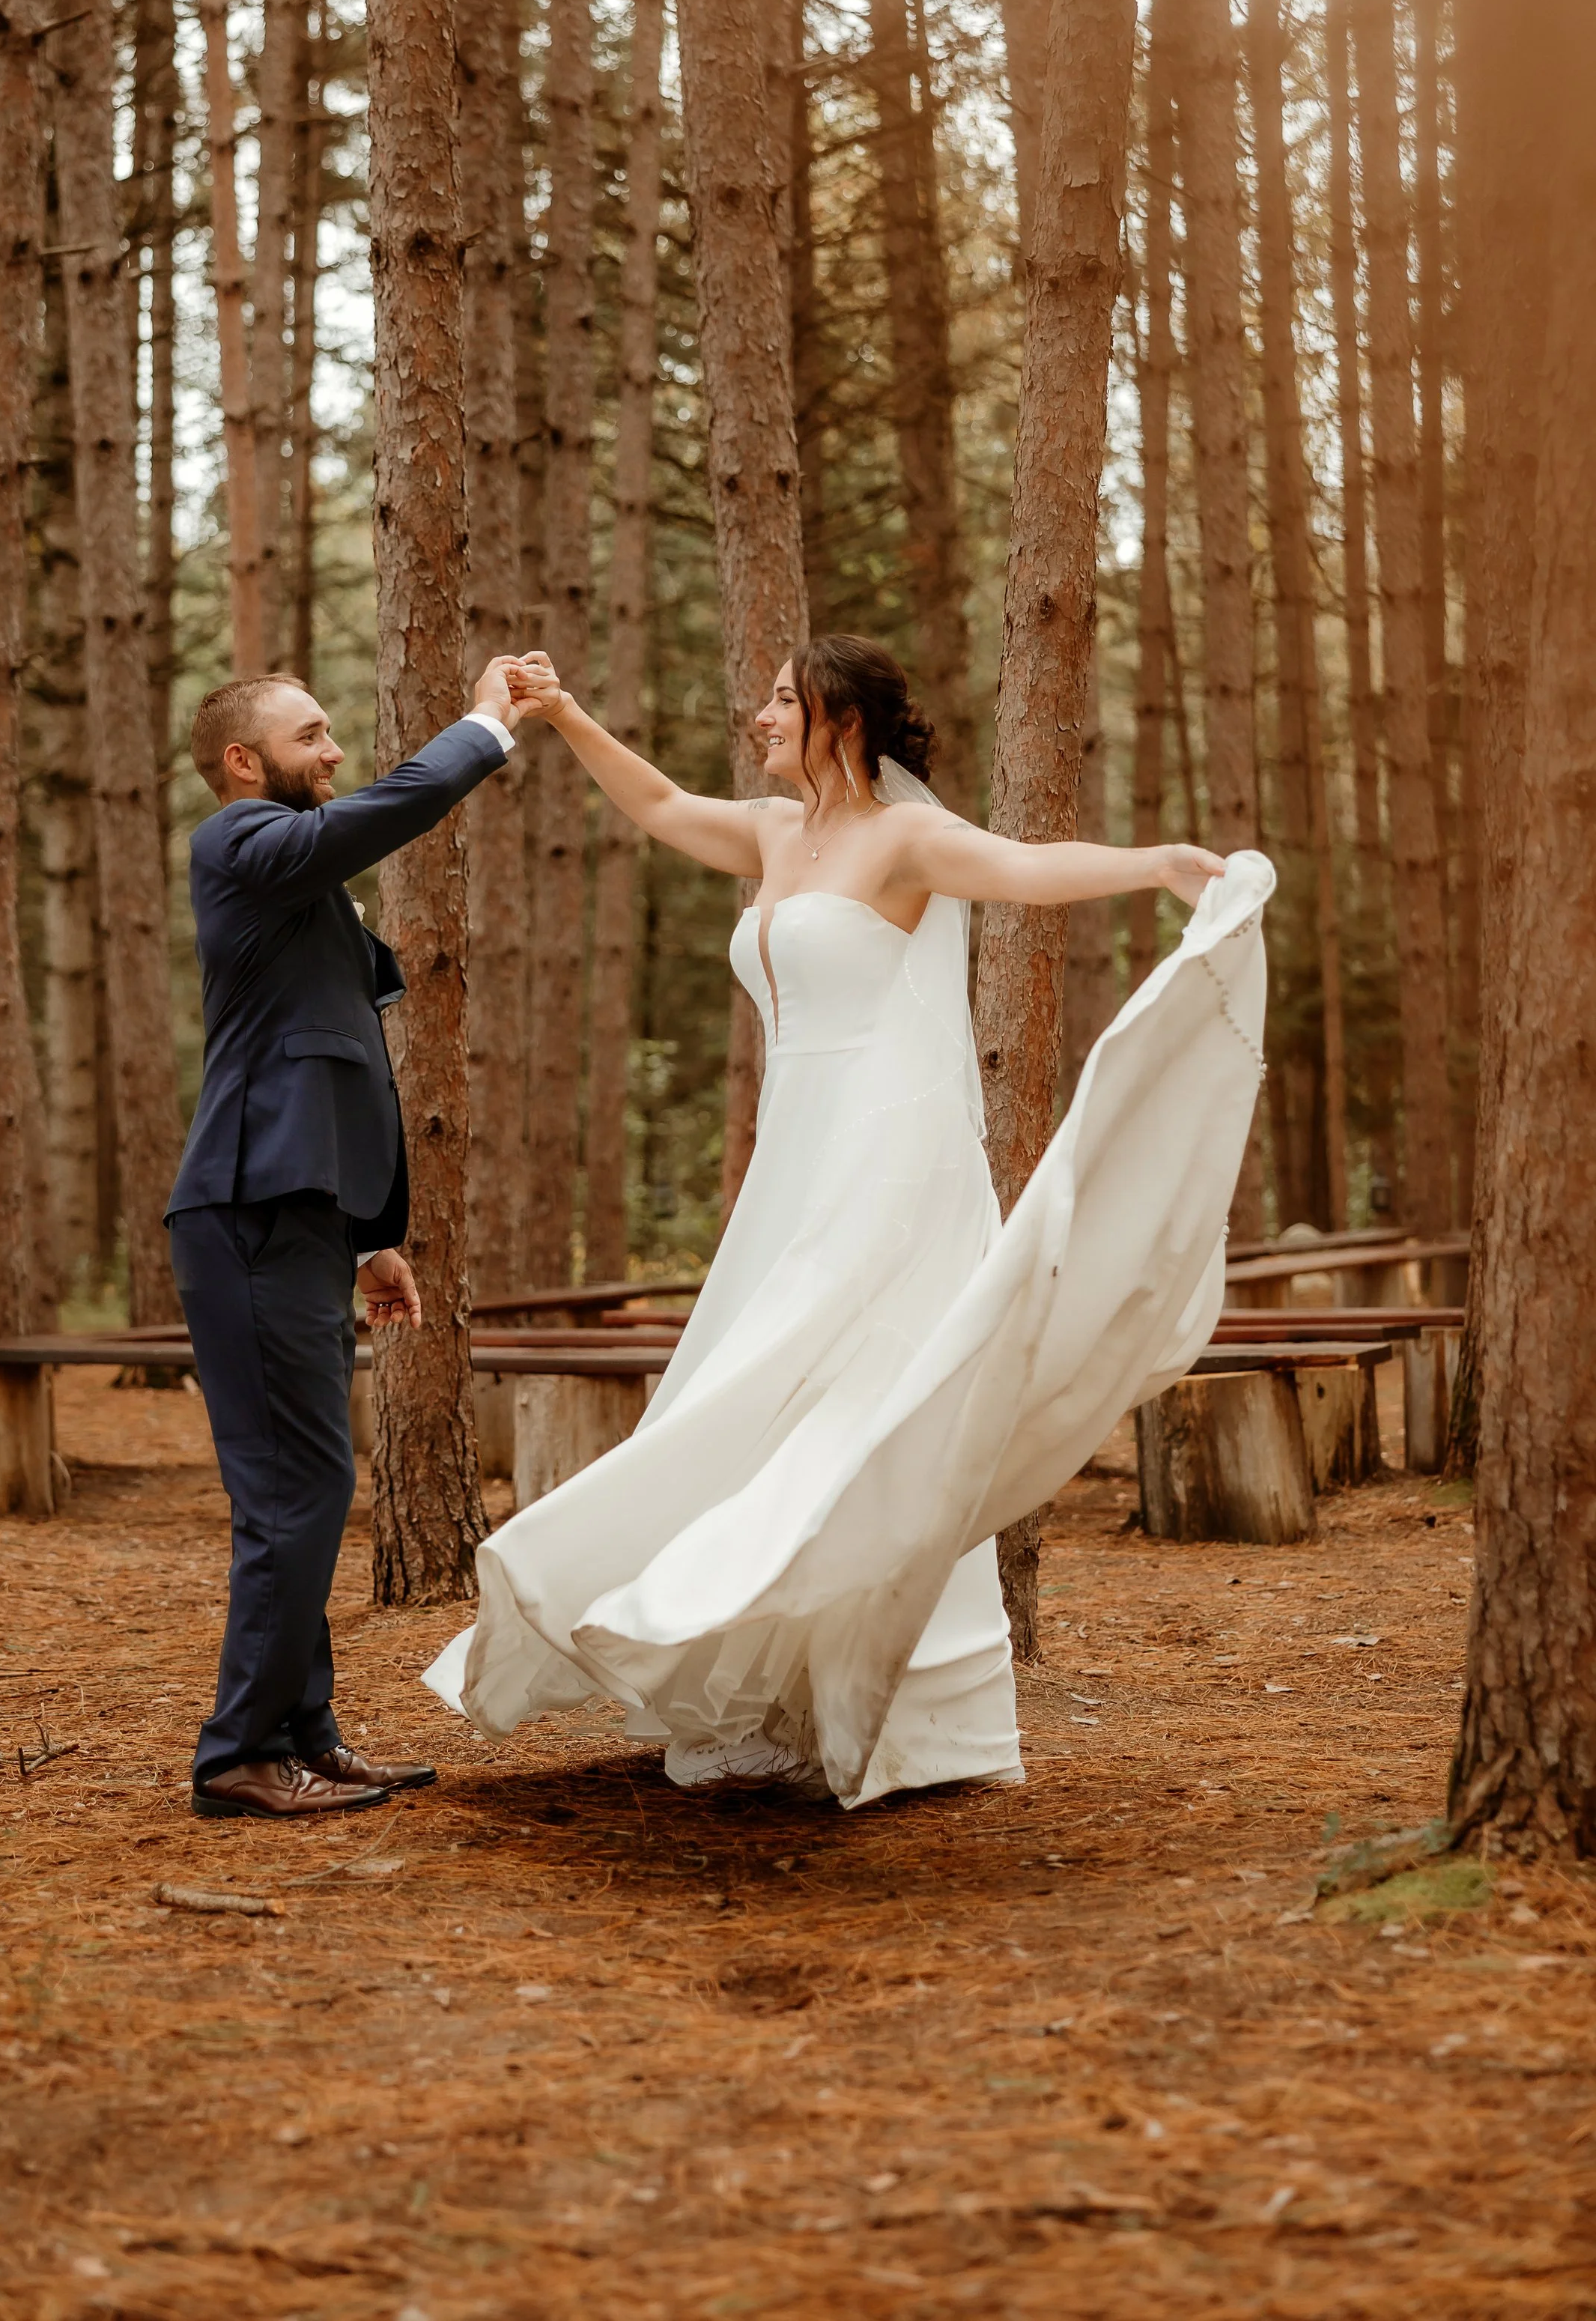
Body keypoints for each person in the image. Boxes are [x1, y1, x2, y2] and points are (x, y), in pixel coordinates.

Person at [427, 634, 1273, 1804]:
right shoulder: (777, 835)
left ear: (842, 720)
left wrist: (1159, 863)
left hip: (890, 1151)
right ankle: (770, 1672)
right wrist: (564, 714)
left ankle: (903, 1705)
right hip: (799, 1159)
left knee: (858, 1389)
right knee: (770, 1387)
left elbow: (1028, 869)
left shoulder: (906, 839)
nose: (760, 712)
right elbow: (662, 803)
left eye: (782, 698)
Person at [169, 663, 537, 1820]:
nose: (333, 751)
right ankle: (239, 1751)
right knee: (299, 1487)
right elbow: (393, 808)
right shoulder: (240, 841)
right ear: (245, 762)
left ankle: (303, 1733)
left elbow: (339, 1061)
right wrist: (483, 727)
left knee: (309, 1488)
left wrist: (372, 1236)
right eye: (312, 734)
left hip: (299, 1215)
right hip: (246, 1208)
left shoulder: (301, 887)